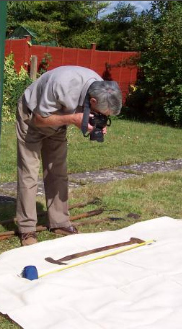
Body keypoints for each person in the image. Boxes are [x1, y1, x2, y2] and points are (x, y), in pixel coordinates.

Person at [16, 65, 122, 246]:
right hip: (32, 117)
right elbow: (39, 119)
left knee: (58, 172)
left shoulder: (100, 86)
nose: (100, 117)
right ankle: (26, 228)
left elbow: (81, 113)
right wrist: (73, 119)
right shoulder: (62, 84)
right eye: (101, 114)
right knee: (29, 174)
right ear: (93, 100)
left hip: (59, 122)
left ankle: (59, 222)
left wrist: (96, 123)